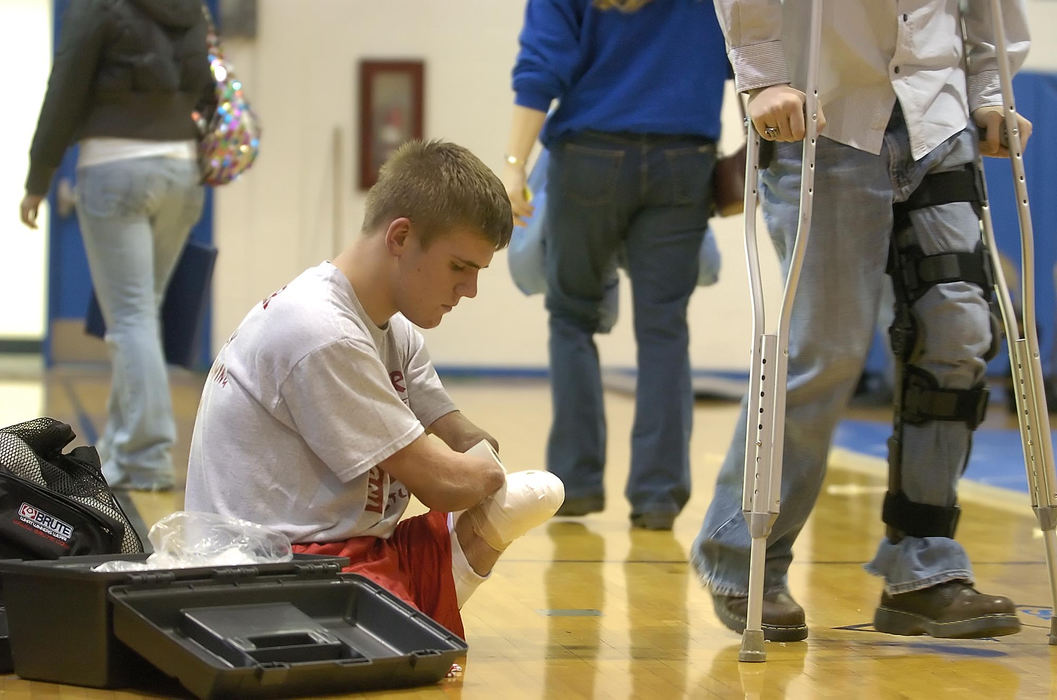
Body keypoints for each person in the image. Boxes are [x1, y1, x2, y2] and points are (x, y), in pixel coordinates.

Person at [693, 0, 1032, 642]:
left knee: (958, 333)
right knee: (825, 348)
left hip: (939, 116)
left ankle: (924, 564)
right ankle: (742, 557)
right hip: (822, 114)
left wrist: (990, 88)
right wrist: (762, 79)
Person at [184, 140, 566, 638]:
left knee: (532, 495)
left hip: (338, 551)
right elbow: (443, 483)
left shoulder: (393, 328)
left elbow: (461, 435)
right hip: (266, 573)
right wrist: (484, 476)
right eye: (459, 267)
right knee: (508, 501)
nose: (469, 290)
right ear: (401, 237)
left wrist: (476, 466)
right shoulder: (320, 330)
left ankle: (404, 602)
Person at [502, 0, 729, 530]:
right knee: (664, 329)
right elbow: (750, 53)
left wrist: (515, 166)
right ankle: (657, 496)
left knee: (572, 318)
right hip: (685, 157)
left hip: (589, 156)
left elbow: (541, 66)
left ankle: (575, 485)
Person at [19, 0, 215, 491]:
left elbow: (65, 86)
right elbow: (208, 90)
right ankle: (123, 448)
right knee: (141, 314)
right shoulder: (188, 9)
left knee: (129, 317)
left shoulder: (97, 6)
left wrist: (38, 177)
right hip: (181, 170)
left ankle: (147, 455)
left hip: (115, 166)